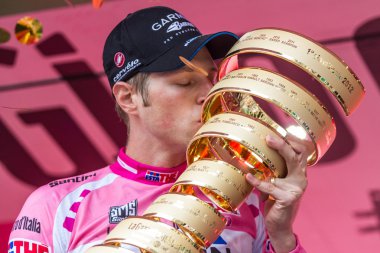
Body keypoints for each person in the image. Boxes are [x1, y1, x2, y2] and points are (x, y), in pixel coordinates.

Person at [8, 6, 308, 253]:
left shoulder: (248, 198)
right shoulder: (56, 206)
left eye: (212, 78)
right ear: (128, 98)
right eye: (186, 82)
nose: (210, 94)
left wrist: (282, 237)